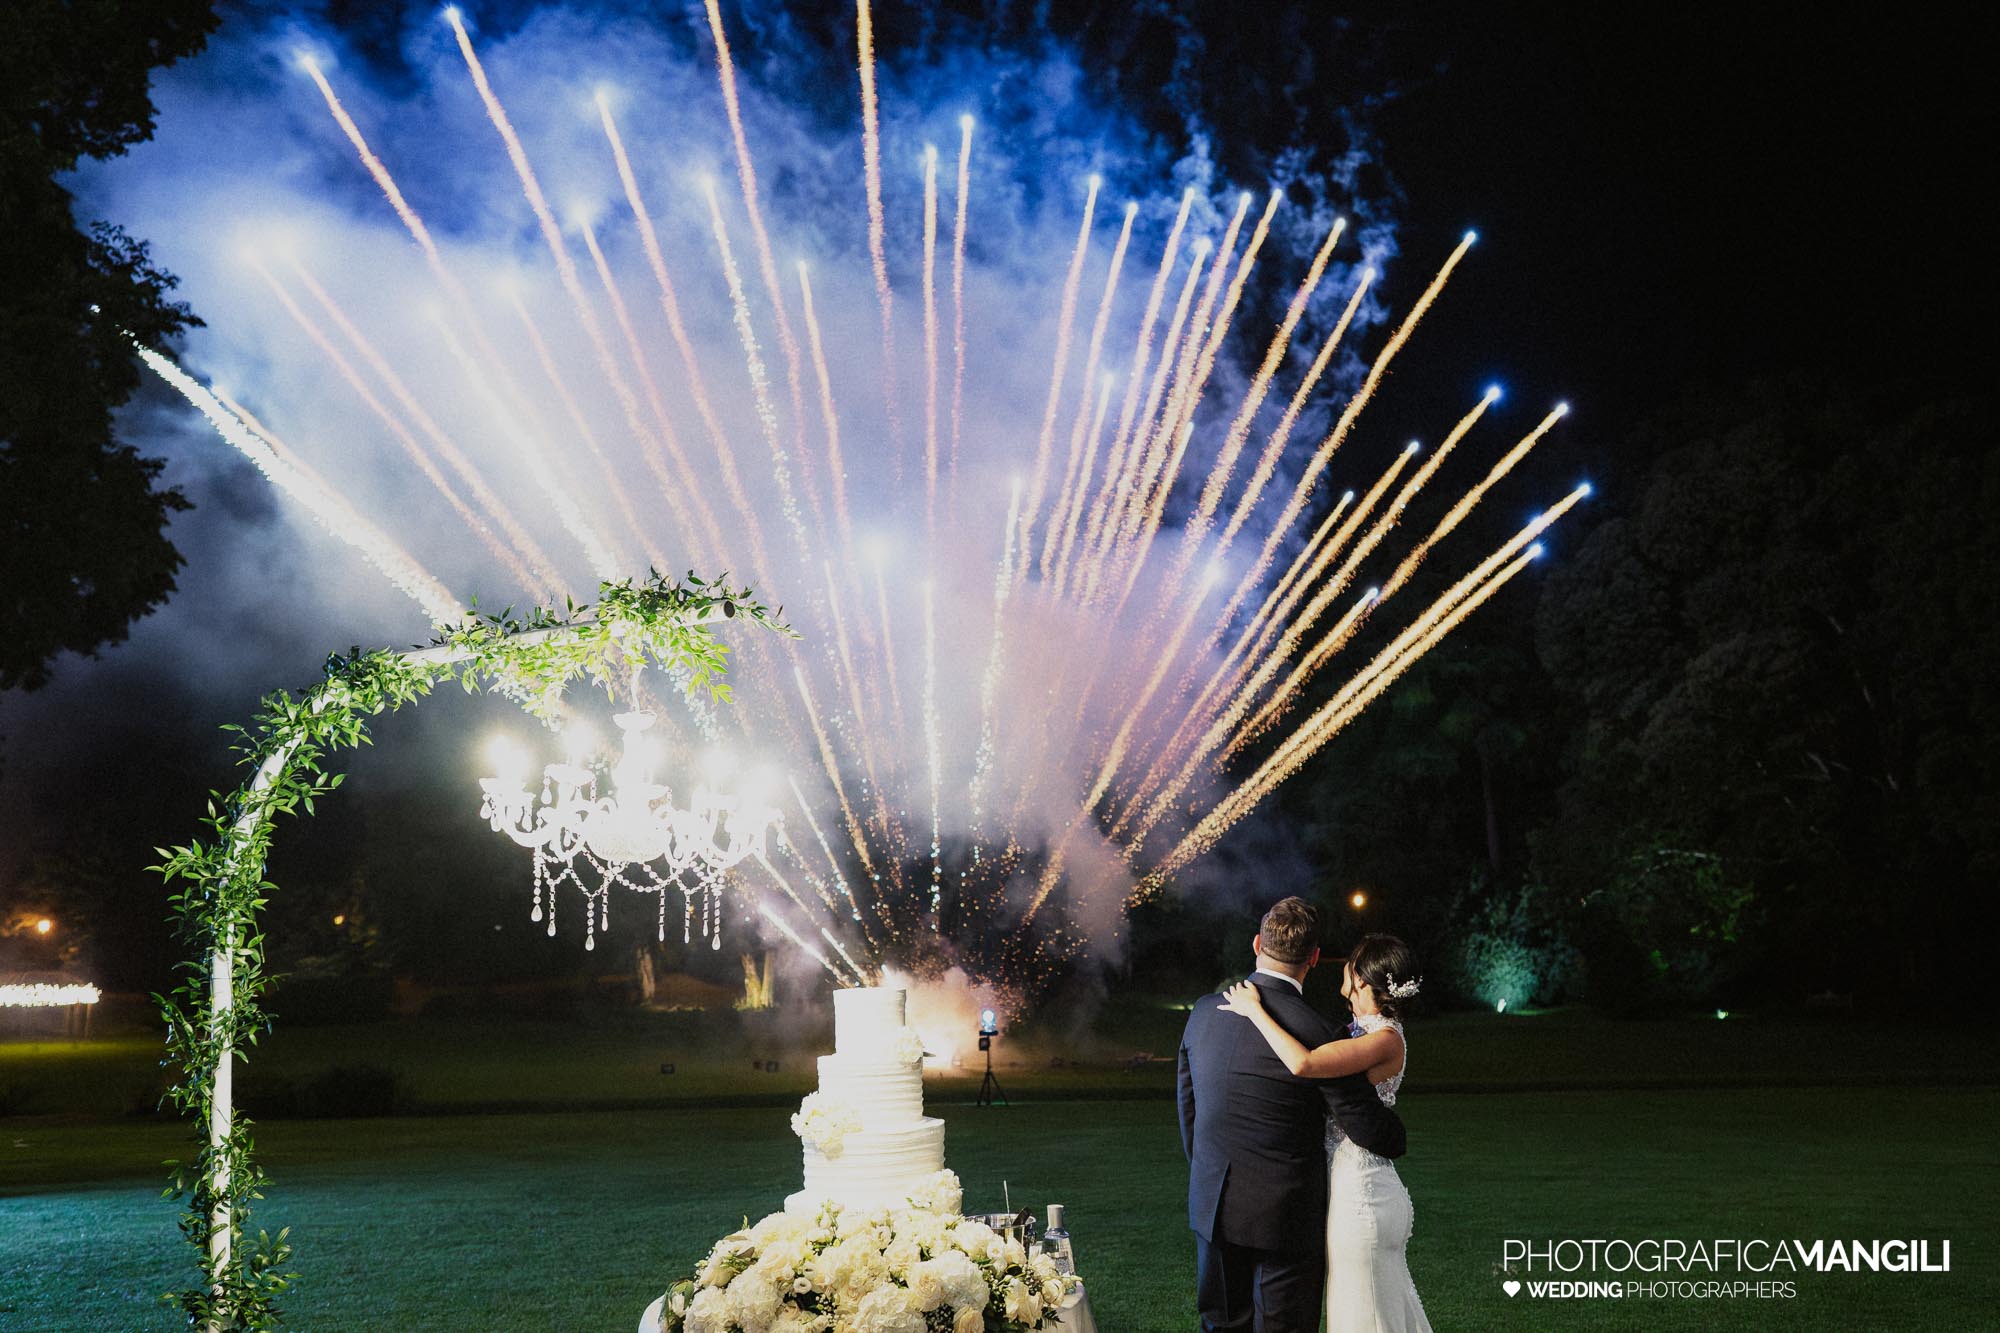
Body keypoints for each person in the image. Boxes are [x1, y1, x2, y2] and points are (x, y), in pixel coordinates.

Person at [1178, 899, 1408, 1333]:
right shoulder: (1317, 1033)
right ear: (1314, 958)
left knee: (1222, 1327)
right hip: (1285, 1218)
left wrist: (1210, 1176)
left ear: (1256, 944)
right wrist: (1396, 1136)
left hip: (1213, 1204)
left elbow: (1189, 1112)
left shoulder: (1203, 1014)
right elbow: (1362, 1120)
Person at [1220, 932, 1432, 1333]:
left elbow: (1305, 1064)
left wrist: (1255, 1011)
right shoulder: (1357, 1030)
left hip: (1363, 1195)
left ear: (1363, 981)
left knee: (1362, 1314)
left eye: (1351, 962)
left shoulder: (1386, 1038)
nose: (1344, 967)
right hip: (1348, 1186)